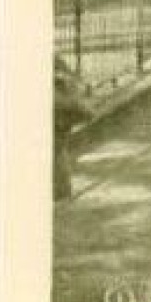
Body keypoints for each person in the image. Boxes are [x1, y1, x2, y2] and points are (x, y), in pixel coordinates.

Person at [54, 58, 90, 201]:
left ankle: (61, 192)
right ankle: (62, 191)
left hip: (58, 114)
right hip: (62, 113)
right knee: (57, 150)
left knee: (57, 150)